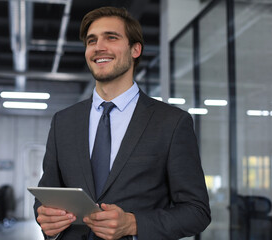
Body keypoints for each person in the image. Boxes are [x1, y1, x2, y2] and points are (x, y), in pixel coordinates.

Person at [34, 6, 211, 240]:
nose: (99, 47)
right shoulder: (63, 122)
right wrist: (45, 217)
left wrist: (134, 224)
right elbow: (47, 196)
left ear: (135, 49)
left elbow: (196, 212)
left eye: (111, 37)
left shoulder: (171, 123)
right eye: (91, 40)